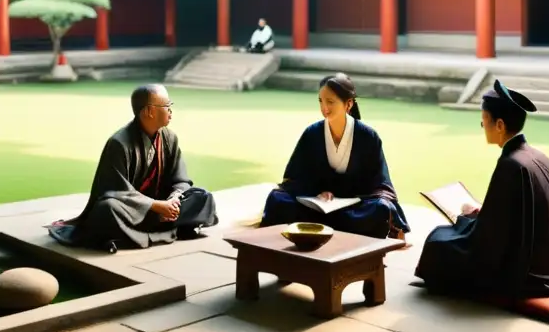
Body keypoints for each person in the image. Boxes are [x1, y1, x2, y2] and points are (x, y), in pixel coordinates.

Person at [414, 80, 549, 299]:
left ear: (499, 125)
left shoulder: (512, 164)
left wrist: (466, 217)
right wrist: (480, 213)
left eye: (484, 122)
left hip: (531, 273)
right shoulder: (539, 156)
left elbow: (488, 240)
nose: (483, 129)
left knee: (437, 242)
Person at [47, 84, 218, 252]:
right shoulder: (119, 143)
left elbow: (181, 180)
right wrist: (155, 206)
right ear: (149, 111)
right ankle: (170, 231)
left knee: (202, 197)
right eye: (167, 106)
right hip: (133, 212)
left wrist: (172, 200)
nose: (170, 111)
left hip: (164, 210)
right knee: (107, 209)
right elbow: (116, 191)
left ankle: (140, 234)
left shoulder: (170, 138)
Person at [259, 73, 410, 240]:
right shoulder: (312, 133)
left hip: (355, 206)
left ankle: (326, 227)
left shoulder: (367, 136)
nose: (324, 108)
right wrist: (317, 193)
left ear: (348, 104)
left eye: (330, 102)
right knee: (277, 199)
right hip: (318, 205)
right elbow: (295, 177)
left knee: (380, 208)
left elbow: (380, 183)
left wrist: (356, 198)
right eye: (320, 101)